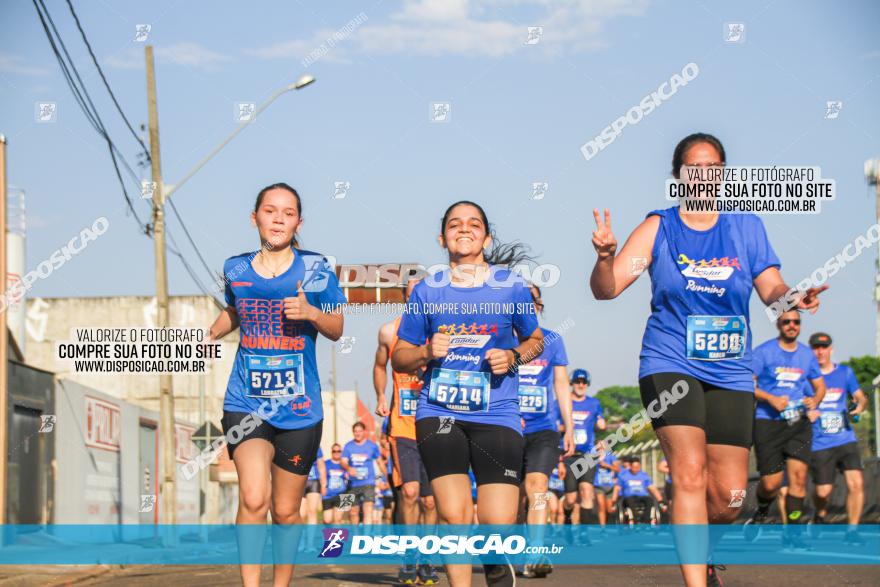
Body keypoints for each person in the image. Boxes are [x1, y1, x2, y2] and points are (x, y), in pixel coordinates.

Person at [588, 133, 826, 587]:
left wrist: (793, 297)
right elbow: (608, 288)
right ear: (678, 177)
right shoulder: (659, 227)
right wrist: (605, 258)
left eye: (713, 167)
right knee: (690, 474)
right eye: (693, 168)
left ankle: (701, 545)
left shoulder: (745, 227)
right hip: (670, 360)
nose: (703, 176)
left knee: (731, 497)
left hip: (731, 369)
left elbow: (772, 291)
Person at [392, 200, 544, 587]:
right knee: (452, 513)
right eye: (455, 224)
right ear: (442, 237)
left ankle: (494, 556)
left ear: (486, 237)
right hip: (439, 411)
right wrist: (426, 352)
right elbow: (400, 357)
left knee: (497, 518)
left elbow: (537, 340)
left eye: (473, 223)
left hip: (497, 412)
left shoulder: (510, 287)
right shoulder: (427, 291)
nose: (464, 228)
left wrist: (512, 355)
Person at [208, 182, 345, 587]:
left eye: (288, 213)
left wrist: (311, 313)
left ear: (298, 222)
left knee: (285, 511)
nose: (279, 219)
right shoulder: (235, 267)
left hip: (300, 408)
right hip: (246, 400)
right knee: (253, 498)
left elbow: (337, 327)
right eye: (271, 211)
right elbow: (236, 310)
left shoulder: (317, 267)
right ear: (255, 218)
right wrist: (210, 333)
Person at [373, 278, 439, 585]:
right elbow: (379, 366)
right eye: (412, 295)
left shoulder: (442, 331)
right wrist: (380, 396)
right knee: (409, 492)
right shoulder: (390, 331)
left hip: (437, 424)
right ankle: (409, 557)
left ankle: (427, 558)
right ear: (404, 298)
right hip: (402, 425)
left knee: (430, 501)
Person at [746, 310, 826, 548]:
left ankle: (793, 532)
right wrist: (770, 398)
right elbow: (747, 383)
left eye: (796, 322)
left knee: (799, 480)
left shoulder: (806, 355)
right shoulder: (764, 352)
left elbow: (819, 386)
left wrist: (815, 400)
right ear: (779, 324)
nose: (792, 325)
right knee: (771, 484)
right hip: (767, 422)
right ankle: (761, 511)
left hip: (798, 424)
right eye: (787, 321)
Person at [518, 283, 575, 577]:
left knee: (538, 487)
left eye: (532, 302)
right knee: (512, 498)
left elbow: (561, 383)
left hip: (543, 429)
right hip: (505, 429)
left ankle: (536, 554)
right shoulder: (498, 339)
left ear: (539, 307)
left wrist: (569, 426)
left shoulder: (552, 340)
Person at [808, 332, 867, 545]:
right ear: (811, 350)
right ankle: (820, 514)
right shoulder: (808, 378)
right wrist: (808, 412)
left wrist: (858, 407)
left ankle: (852, 531)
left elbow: (860, 397)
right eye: (816, 347)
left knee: (857, 483)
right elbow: (800, 402)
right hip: (820, 442)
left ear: (831, 349)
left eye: (824, 347)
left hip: (845, 439)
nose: (820, 351)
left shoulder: (845, 372)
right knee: (823, 492)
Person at [562, 368, 605, 539]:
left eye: (584, 382)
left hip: (587, 454)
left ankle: (584, 533)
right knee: (571, 499)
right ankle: (567, 517)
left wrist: (601, 427)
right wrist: (567, 427)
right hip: (568, 455)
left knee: (587, 491)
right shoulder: (564, 403)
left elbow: (601, 423)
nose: (581, 385)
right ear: (572, 383)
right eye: (578, 381)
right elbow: (554, 425)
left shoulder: (594, 403)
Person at [340, 421, 385, 526]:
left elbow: (380, 462)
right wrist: (348, 468)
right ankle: (355, 536)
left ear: (364, 432)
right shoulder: (348, 446)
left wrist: (386, 478)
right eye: (355, 431)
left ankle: (365, 538)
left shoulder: (372, 446)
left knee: (367, 510)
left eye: (360, 431)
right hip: (352, 483)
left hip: (368, 482)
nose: (357, 433)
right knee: (353, 512)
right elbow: (343, 462)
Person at [612, 457, 666, 526]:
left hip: (642, 496)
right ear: (630, 466)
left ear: (640, 466)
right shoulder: (623, 475)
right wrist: (613, 501)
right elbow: (617, 488)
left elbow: (652, 488)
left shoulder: (643, 475)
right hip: (629, 497)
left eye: (637, 467)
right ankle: (635, 519)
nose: (636, 469)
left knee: (650, 500)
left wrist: (660, 500)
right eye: (634, 467)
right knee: (630, 501)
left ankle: (647, 519)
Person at [593, 440, 620, 530]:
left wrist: (607, 466)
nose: (601, 446)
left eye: (603, 444)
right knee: (601, 506)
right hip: (598, 485)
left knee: (609, 509)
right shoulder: (592, 457)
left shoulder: (611, 457)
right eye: (599, 444)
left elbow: (618, 469)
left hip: (609, 485)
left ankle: (607, 522)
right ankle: (602, 528)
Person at [322, 443, 348, 524]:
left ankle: (337, 536)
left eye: (339, 451)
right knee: (327, 520)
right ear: (331, 452)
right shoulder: (326, 464)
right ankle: (328, 535)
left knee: (338, 519)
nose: (336, 453)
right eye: (334, 451)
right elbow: (321, 477)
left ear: (341, 452)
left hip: (343, 494)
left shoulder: (345, 464)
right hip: (328, 495)